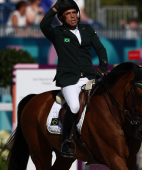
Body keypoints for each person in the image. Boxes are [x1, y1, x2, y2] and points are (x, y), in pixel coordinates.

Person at [40, 0, 108, 157]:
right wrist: (55, 8)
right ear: (62, 18)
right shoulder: (57, 33)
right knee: (75, 107)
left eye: (74, 12)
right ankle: (65, 141)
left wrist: (103, 64)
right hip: (69, 80)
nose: (72, 16)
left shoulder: (87, 29)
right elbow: (44, 25)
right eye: (68, 14)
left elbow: (99, 47)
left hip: (89, 77)